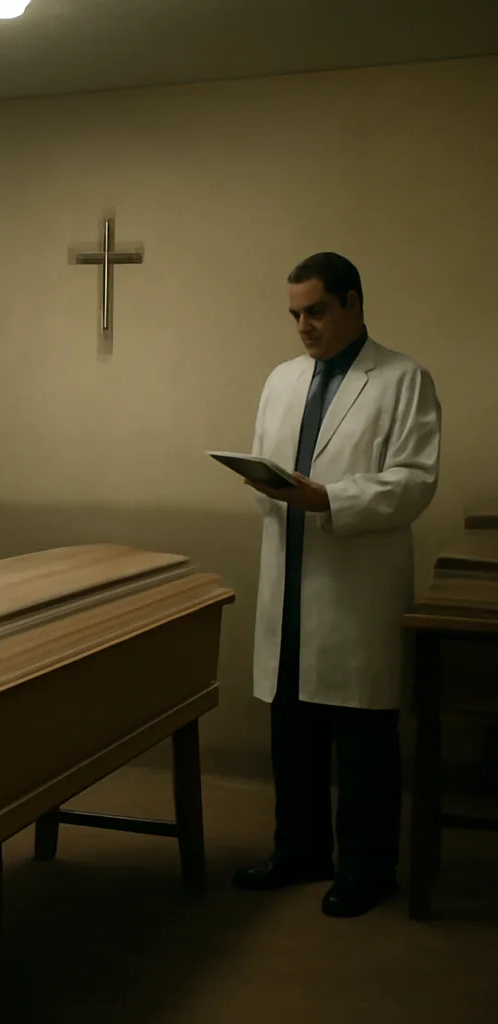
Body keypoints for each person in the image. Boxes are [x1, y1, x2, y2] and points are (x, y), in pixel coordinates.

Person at [233, 252, 441, 917]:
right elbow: (267, 467)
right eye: (295, 314)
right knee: (291, 732)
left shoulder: (403, 379)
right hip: (289, 580)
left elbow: (414, 482)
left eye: (316, 311)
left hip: (356, 588)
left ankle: (368, 867)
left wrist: (332, 499)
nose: (304, 326)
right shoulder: (282, 379)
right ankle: (298, 850)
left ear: (352, 302)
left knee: (362, 740)